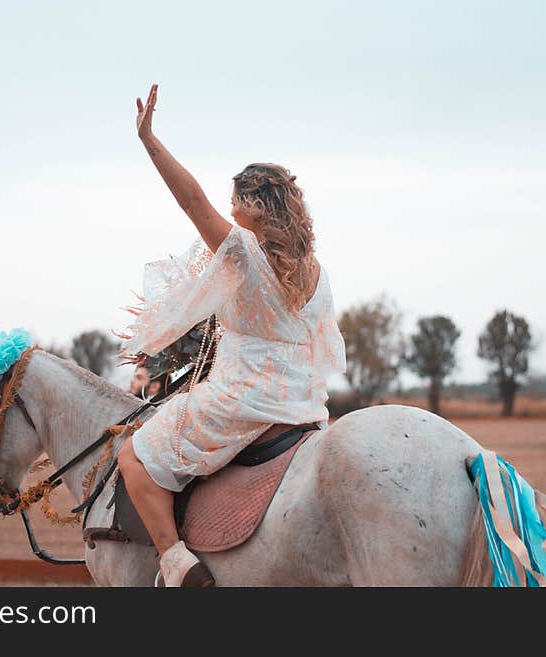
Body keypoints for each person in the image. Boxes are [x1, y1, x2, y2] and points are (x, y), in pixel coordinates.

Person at [116, 84, 347, 587]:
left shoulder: (244, 250)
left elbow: (191, 200)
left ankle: (177, 566)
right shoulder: (316, 270)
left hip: (244, 400)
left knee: (132, 456)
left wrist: (149, 141)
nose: (228, 214)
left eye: (234, 205)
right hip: (305, 407)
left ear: (251, 206)